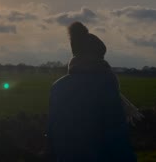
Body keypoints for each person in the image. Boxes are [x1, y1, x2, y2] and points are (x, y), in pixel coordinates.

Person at [47, 22, 137, 162]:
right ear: (96, 56)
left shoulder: (57, 87)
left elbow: (52, 132)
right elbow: (116, 135)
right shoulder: (105, 84)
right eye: (101, 56)